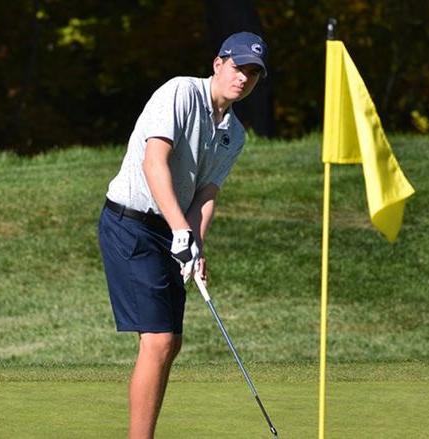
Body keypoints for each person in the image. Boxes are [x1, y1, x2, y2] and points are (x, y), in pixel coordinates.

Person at [98, 31, 268, 439]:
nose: (242, 77)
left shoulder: (234, 133)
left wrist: (194, 245)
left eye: (252, 73)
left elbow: (206, 193)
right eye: (237, 66)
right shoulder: (180, 92)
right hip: (131, 224)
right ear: (217, 63)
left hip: (169, 232)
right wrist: (180, 231)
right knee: (158, 342)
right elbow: (154, 162)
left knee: (169, 344)